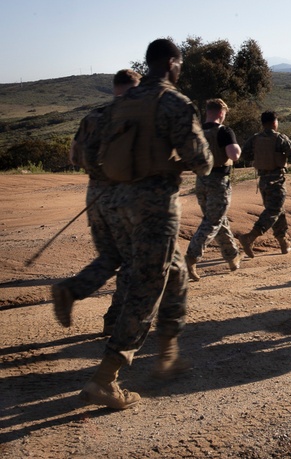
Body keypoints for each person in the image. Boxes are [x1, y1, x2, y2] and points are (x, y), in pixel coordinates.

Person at [78, 39, 213, 410]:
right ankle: (105, 379)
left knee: (177, 272)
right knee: (145, 291)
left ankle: (168, 352)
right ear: (172, 62)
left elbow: (91, 155)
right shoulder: (174, 102)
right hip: (154, 210)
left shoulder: (121, 103)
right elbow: (202, 161)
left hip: (117, 204)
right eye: (180, 64)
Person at [52, 69, 140, 336]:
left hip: (95, 195)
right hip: (123, 196)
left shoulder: (92, 117)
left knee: (110, 256)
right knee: (132, 260)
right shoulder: (133, 117)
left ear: (114, 88)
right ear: (135, 89)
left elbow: (74, 158)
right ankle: (115, 319)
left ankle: (71, 290)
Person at [184, 98, 243, 281]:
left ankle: (232, 256)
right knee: (212, 221)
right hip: (218, 181)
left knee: (218, 219)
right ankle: (191, 256)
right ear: (220, 113)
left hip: (201, 181)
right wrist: (238, 149)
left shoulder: (197, 132)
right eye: (224, 114)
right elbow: (234, 155)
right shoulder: (224, 131)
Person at [239, 111, 291, 257]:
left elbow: (244, 155)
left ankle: (283, 242)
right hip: (276, 179)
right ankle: (250, 237)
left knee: (278, 210)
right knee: (273, 211)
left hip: (263, 181)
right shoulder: (280, 138)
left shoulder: (255, 138)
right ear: (274, 122)